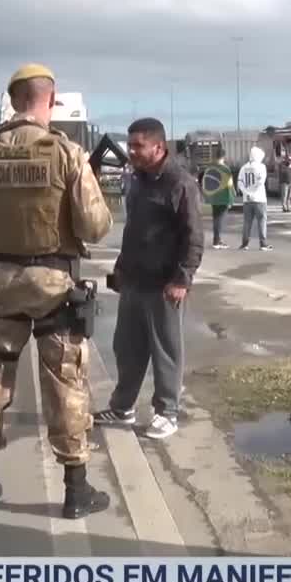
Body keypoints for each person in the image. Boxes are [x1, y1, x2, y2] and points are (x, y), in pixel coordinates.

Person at [0, 64, 112, 517]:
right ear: (51, 97)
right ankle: (76, 490)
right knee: (65, 382)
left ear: (12, 97)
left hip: (1, 282)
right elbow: (95, 226)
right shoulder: (66, 152)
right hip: (53, 285)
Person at [93, 116, 203, 440]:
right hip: (134, 281)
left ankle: (166, 412)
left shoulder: (180, 183)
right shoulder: (138, 180)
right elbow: (134, 230)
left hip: (164, 285)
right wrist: (121, 268)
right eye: (130, 145)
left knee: (166, 351)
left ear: (159, 147)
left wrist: (182, 279)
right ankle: (123, 407)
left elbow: (194, 237)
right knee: (126, 348)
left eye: (138, 146)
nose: (132, 151)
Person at [238, 146, 271, 250]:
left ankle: (245, 244)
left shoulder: (243, 167)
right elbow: (261, 182)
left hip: (247, 200)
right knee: (262, 221)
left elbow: (239, 182)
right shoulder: (262, 167)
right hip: (259, 199)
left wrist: (247, 193)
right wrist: (254, 193)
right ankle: (263, 244)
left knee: (247, 222)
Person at [204, 155, 234, 249]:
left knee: (215, 219)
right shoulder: (225, 169)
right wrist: (231, 199)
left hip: (214, 198)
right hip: (223, 198)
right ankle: (217, 241)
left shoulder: (209, 168)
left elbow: (206, 183)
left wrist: (208, 197)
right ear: (223, 157)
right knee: (220, 220)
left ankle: (216, 240)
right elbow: (229, 185)